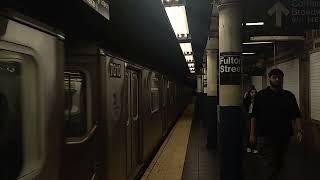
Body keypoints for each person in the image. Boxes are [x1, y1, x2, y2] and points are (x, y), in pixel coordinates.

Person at [249, 68, 303, 180]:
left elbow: (296, 114)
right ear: (269, 78)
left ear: (282, 79)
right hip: (264, 135)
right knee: (268, 164)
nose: (277, 79)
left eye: (279, 78)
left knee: (279, 163)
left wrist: (299, 130)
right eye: (274, 77)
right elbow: (254, 116)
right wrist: (252, 134)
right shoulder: (261, 95)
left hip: (283, 136)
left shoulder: (289, 96)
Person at [243, 86, 258, 154]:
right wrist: (245, 97)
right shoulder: (247, 101)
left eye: (254, 92)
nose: (253, 94)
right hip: (249, 116)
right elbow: (244, 106)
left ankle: (254, 147)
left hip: (255, 116)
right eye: (252, 92)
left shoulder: (258, 101)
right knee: (248, 131)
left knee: (255, 131)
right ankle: (248, 146)